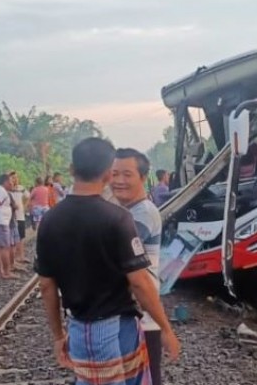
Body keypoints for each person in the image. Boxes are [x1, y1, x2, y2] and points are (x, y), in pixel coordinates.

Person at [37, 138, 180, 385]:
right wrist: (166, 328)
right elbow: (138, 282)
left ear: (71, 170)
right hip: (119, 325)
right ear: (106, 174)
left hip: (83, 326)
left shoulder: (49, 221)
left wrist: (59, 335)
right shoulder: (118, 218)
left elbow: (46, 286)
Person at [112, 148, 165, 385]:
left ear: (143, 178)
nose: (119, 181)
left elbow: (115, 258)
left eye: (126, 174)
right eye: (114, 174)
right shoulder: (126, 212)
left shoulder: (143, 214)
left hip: (143, 317)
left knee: (146, 379)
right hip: (130, 316)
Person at [9, 171, 27, 264]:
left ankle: (21, 256)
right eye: (12, 177)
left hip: (21, 216)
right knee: (14, 238)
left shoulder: (21, 188)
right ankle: (14, 258)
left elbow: (28, 196)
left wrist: (24, 206)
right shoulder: (8, 190)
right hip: (12, 217)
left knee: (22, 237)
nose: (15, 179)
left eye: (16, 177)